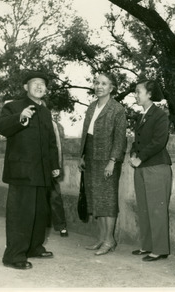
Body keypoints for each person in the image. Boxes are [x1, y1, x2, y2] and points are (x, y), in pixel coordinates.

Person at [0, 71, 60, 270]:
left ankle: (34, 247)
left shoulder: (46, 112)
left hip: (41, 171)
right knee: (21, 214)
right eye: (35, 83)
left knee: (40, 212)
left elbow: (50, 143)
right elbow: (0, 126)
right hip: (22, 171)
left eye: (43, 84)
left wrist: (54, 165)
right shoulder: (13, 106)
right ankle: (13, 256)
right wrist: (20, 118)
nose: (40, 87)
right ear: (26, 87)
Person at [78, 72, 127, 256]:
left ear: (111, 87)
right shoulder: (91, 107)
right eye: (97, 82)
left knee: (107, 200)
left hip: (107, 159)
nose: (99, 86)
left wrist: (112, 161)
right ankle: (101, 238)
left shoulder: (117, 109)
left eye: (104, 83)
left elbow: (120, 139)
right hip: (90, 156)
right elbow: (86, 134)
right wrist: (81, 155)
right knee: (94, 198)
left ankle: (110, 240)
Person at [129, 79, 172, 262]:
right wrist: (132, 154)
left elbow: (159, 141)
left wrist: (140, 158)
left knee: (156, 209)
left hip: (156, 167)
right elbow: (136, 141)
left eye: (138, 91)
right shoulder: (142, 116)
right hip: (142, 167)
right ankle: (146, 246)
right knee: (144, 208)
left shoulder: (160, 115)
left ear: (149, 94)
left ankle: (160, 249)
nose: (136, 95)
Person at [42, 102, 68, 237]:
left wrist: (57, 166)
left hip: (49, 165)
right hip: (35, 166)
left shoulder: (53, 125)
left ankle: (61, 226)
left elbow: (57, 146)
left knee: (54, 196)